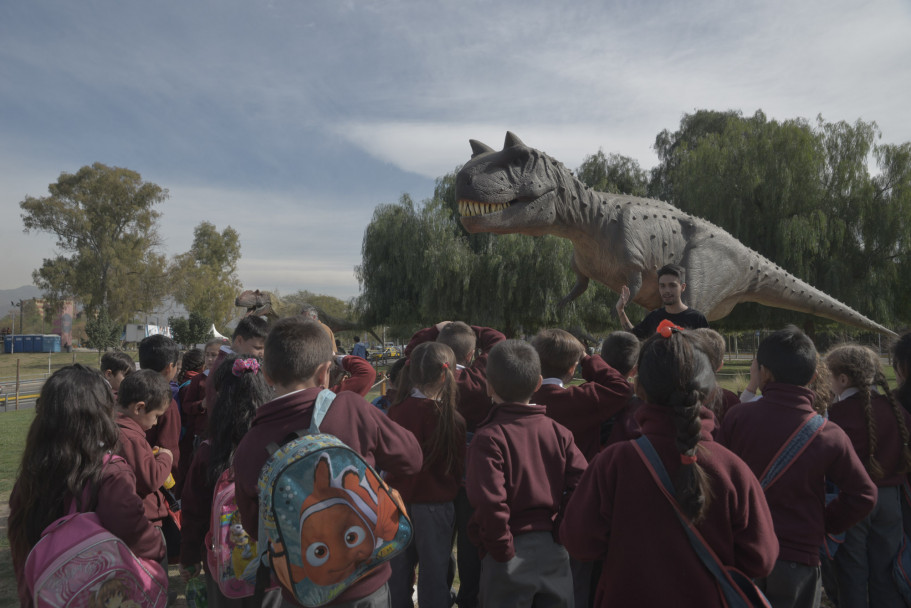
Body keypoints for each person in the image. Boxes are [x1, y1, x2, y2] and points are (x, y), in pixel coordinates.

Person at [232, 317, 423, 607]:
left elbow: (254, 526)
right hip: (365, 583)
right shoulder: (350, 408)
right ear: (324, 373)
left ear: (267, 376)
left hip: (303, 591)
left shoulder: (250, 444)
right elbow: (411, 459)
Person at [720, 326, 877, 608]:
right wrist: (824, 522)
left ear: (764, 372)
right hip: (799, 557)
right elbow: (864, 495)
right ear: (814, 377)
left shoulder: (737, 418)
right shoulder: (828, 434)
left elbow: (718, 481)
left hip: (744, 551)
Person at [8, 365, 166, 607]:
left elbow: (21, 551)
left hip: (46, 595)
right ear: (100, 414)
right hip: (99, 594)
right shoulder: (110, 473)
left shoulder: (30, 476)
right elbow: (136, 533)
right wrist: (159, 543)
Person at [466, 340, 586, 608]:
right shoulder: (559, 432)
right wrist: (560, 530)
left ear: (488, 385)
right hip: (550, 547)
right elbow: (583, 485)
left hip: (508, 551)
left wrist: (500, 548)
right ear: (538, 383)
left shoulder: (488, 438)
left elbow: (488, 501)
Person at [405, 320, 506, 608]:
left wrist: (438, 328)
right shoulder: (475, 382)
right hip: (470, 473)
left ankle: (438, 596)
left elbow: (414, 351)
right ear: (469, 355)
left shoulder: (420, 378)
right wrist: (471, 327)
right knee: (469, 543)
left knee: (436, 549)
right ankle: (468, 598)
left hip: (432, 480)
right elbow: (497, 339)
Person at [179, 354, 282, 607]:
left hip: (223, 565)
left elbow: (193, 512)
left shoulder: (209, 451)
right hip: (276, 561)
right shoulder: (278, 444)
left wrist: (189, 557)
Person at [824, 344, 911, 607]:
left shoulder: (835, 415)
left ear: (842, 378)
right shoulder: (898, 411)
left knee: (852, 572)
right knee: (887, 571)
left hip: (851, 501)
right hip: (890, 501)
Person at [386, 342, 467, 608]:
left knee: (396, 576)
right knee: (434, 577)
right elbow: (457, 469)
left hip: (396, 505)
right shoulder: (453, 419)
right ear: (446, 374)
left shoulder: (396, 412)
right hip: (435, 507)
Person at [114, 369, 176, 574]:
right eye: (156, 416)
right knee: (154, 578)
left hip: (133, 521)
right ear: (140, 408)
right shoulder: (130, 437)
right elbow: (150, 479)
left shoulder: (120, 429)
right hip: (144, 523)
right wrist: (166, 457)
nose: (156, 422)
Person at [615, 263, 709, 340]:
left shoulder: (697, 319)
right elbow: (634, 336)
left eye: (672, 285)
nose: (667, 290)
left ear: (683, 287)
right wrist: (620, 310)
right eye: (662, 286)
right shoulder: (654, 317)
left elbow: (708, 350)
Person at [138, 334, 182, 479]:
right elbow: (168, 448)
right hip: (155, 478)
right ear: (170, 367)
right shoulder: (166, 403)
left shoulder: (129, 391)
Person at [205, 315, 270, 413]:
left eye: (265, 348)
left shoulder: (226, 361)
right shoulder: (231, 368)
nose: (262, 353)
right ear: (239, 340)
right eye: (257, 348)